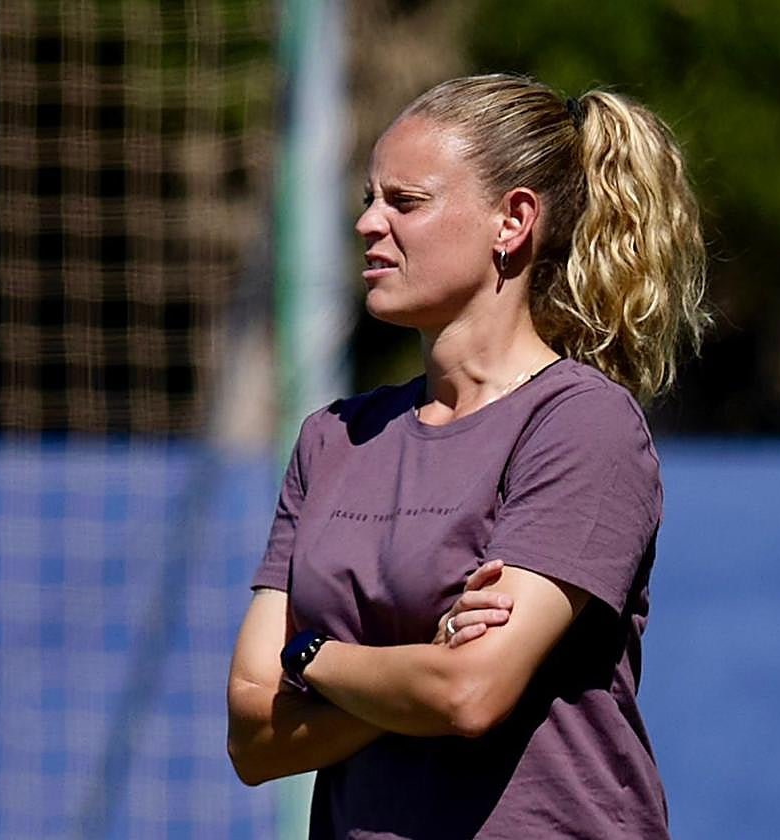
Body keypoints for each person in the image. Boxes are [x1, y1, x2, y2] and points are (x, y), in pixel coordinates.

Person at [227, 73, 708, 839]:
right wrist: (419, 664)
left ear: (511, 221)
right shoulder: (331, 437)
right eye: (367, 200)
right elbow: (252, 735)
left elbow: (469, 695)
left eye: (404, 202)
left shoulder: (579, 423)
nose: (367, 225)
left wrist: (311, 655)